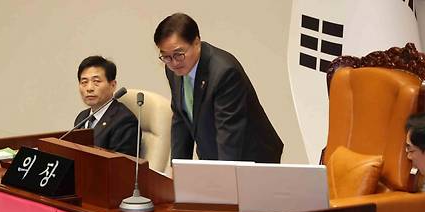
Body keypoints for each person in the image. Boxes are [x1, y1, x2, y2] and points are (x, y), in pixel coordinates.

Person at [153, 13, 283, 162]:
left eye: (178, 54)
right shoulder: (172, 70)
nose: (174, 63)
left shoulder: (224, 73)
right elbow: (181, 118)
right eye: (166, 57)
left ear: (196, 42)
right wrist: (178, 169)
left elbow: (229, 134)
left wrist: (222, 177)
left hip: (252, 158)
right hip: (214, 154)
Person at [74, 56, 138, 155]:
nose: (89, 88)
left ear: (113, 85)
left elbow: (121, 166)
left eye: (96, 82)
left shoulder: (124, 120)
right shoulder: (82, 118)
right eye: (84, 82)